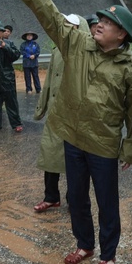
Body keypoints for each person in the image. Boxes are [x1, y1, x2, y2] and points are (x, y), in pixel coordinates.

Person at [15, 0, 132, 264]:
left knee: (106, 200)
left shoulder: (130, 68)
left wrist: (131, 150)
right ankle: (84, 244)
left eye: (107, 22)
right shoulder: (76, 44)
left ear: (122, 34)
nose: (98, 24)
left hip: (102, 143)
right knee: (75, 195)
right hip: (72, 137)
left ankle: (108, 253)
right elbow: (53, 20)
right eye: (99, 19)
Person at [33, 14, 87, 212]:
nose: (65, 29)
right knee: (50, 154)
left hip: (76, 116)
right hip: (56, 113)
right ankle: (51, 196)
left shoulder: (85, 52)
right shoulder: (57, 50)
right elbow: (49, 82)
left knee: (75, 161)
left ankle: (74, 199)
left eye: (70, 26)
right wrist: (42, 107)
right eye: (64, 25)